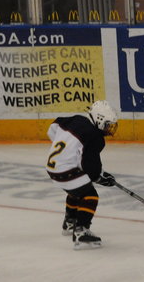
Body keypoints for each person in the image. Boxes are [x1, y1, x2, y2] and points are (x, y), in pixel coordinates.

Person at [46, 100, 118, 249]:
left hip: (52, 167)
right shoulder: (96, 137)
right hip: (66, 170)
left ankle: (69, 222)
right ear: (99, 120)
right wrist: (99, 177)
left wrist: (67, 149)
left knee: (77, 189)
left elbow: (52, 128)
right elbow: (90, 166)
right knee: (90, 195)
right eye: (107, 125)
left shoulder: (74, 119)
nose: (108, 129)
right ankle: (81, 230)